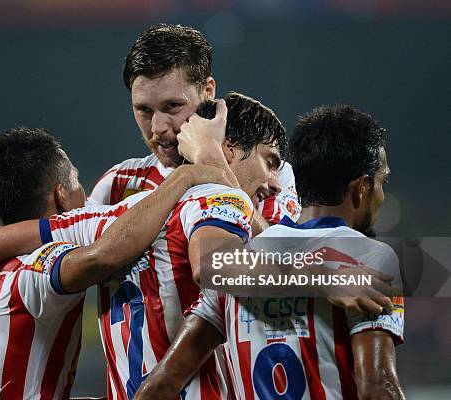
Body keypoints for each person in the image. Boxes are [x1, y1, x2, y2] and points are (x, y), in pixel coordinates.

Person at [0, 92, 287, 399]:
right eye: (270, 161)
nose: (275, 182)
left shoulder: (116, 217)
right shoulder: (221, 199)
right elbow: (213, 267)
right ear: (226, 148)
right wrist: (317, 277)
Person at [135, 105, 405, 400]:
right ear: (362, 187)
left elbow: (164, 383)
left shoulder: (242, 259)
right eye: (382, 182)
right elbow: (378, 388)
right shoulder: (369, 257)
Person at [88, 23, 301, 229]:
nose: (158, 127)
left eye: (172, 106)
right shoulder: (119, 183)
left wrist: (212, 163)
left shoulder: (268, 173)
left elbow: (280, 260)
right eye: (144, 110)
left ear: (208, 91)